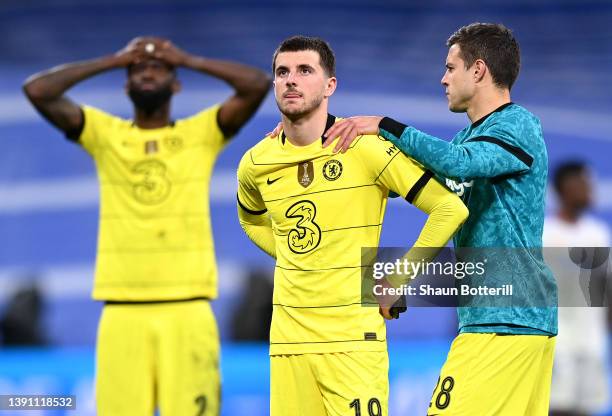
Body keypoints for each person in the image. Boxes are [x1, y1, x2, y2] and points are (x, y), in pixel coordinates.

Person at [303, 23, 558, 415]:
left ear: (478, 70)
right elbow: (422, 189)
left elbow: (460, 164)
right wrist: (307, 130)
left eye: (450, 68)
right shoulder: (469, 138)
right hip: (500, 319)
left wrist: (385, 126)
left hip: (507, 319)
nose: (443, 79)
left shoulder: (517, 123)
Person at [23, 36, 270, 416]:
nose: (148, 72)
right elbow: (38, 91)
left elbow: (255, 84)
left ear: (176, 83)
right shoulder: (106, 135)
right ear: (126, 85)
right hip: (122, 310)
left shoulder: (199, 134)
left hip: (188, 309)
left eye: (158, 68)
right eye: (138, 70)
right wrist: (113, 58)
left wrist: (187, 57)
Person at [237, 35, 468, 416]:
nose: (291, 80)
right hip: (288, 343)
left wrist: (398, 279)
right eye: (282, 72)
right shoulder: (256, 162)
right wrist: (302, 256)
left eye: (304, 70)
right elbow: (250, 220)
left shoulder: (364, 147)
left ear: (330, 86)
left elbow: (449, 208)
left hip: (353, 341)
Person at [544, 161, 611, 416]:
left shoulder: (599, 233)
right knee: (556, 407)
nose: (589, 189)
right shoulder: (544, 234)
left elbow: (608, 285)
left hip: (592, 342)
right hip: (556, 342)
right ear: (565, 188)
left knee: (587, 409)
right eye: (583, 183)